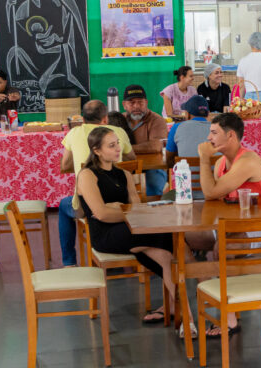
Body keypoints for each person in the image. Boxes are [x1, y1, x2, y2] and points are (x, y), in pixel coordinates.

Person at [76, 127, 186, 333]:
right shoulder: (87, 175)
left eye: (117, 143)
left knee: (165, 249)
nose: (118, 148)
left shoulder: (124, 174)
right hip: (105, 235)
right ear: (96, 151)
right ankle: (183, 311)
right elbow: (101, 215)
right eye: (111, 146)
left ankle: (176, 306)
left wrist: (119, 209)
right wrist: (124, 210)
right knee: (165, 246)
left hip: (130, 228)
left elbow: (138, 210)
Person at [192, 113, 261, 338]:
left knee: (223, 247)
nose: (208, 138)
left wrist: (203, 159)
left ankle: (229, 318)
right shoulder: (221, 163)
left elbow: (210, 192)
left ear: (230, 135)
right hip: (232, 226)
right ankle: (205, 292)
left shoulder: (248, 161)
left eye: (214, 133)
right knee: (184, 238)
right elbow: (212, 197)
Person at [57, 100, 135, 268]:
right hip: (118, 198)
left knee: (63, 205)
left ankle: (69, 261)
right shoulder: (118, 132)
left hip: (88, 207)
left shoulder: (74, 132)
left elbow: (65, 166)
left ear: (83, 119)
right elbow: (132, 159)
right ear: (105, 119)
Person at [123, 84, 169, 197]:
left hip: (152, 168)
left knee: (153, 185)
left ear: (146, 103)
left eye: (140, 102)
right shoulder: (120, 120)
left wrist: (126, 149)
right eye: (132, 103)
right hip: (126, 166)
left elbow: (156, 146)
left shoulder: (157, 120)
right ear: (124, 105)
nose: (136, 106)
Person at [165, 95, 212, 199]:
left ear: (187, 114)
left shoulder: (177, 127)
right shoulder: (218, 129)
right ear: (208, 114)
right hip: (214, 192)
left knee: (165, 196)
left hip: (185, 193)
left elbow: (169, 159)